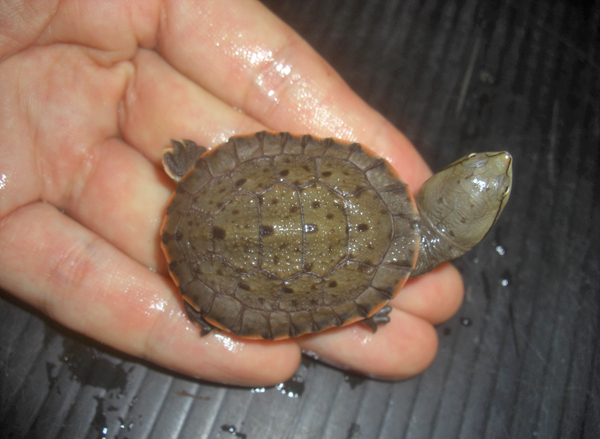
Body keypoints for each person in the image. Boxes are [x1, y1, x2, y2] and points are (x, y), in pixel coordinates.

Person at [0, 0, 463, 386]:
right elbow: (342, 300)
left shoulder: (376, 195)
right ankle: (201, 301)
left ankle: (194, 179)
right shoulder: (377, 281)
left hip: (226, 206)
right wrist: (367, 308)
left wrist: (203, 172)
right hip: (226, 258)